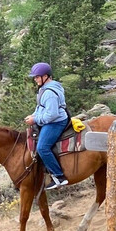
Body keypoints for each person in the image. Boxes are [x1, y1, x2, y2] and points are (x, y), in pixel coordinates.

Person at [24, 62, 71, 190]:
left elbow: (52, 114)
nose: (35, 79)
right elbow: (41, 107)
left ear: (45, 76)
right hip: (50, 120)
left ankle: (59, 176)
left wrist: (35, 119)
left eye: (37, 77)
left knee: (42, 148)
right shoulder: (45, 89)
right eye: (35, 77)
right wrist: (33, 115)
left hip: (56, 122)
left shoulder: (49, 93)